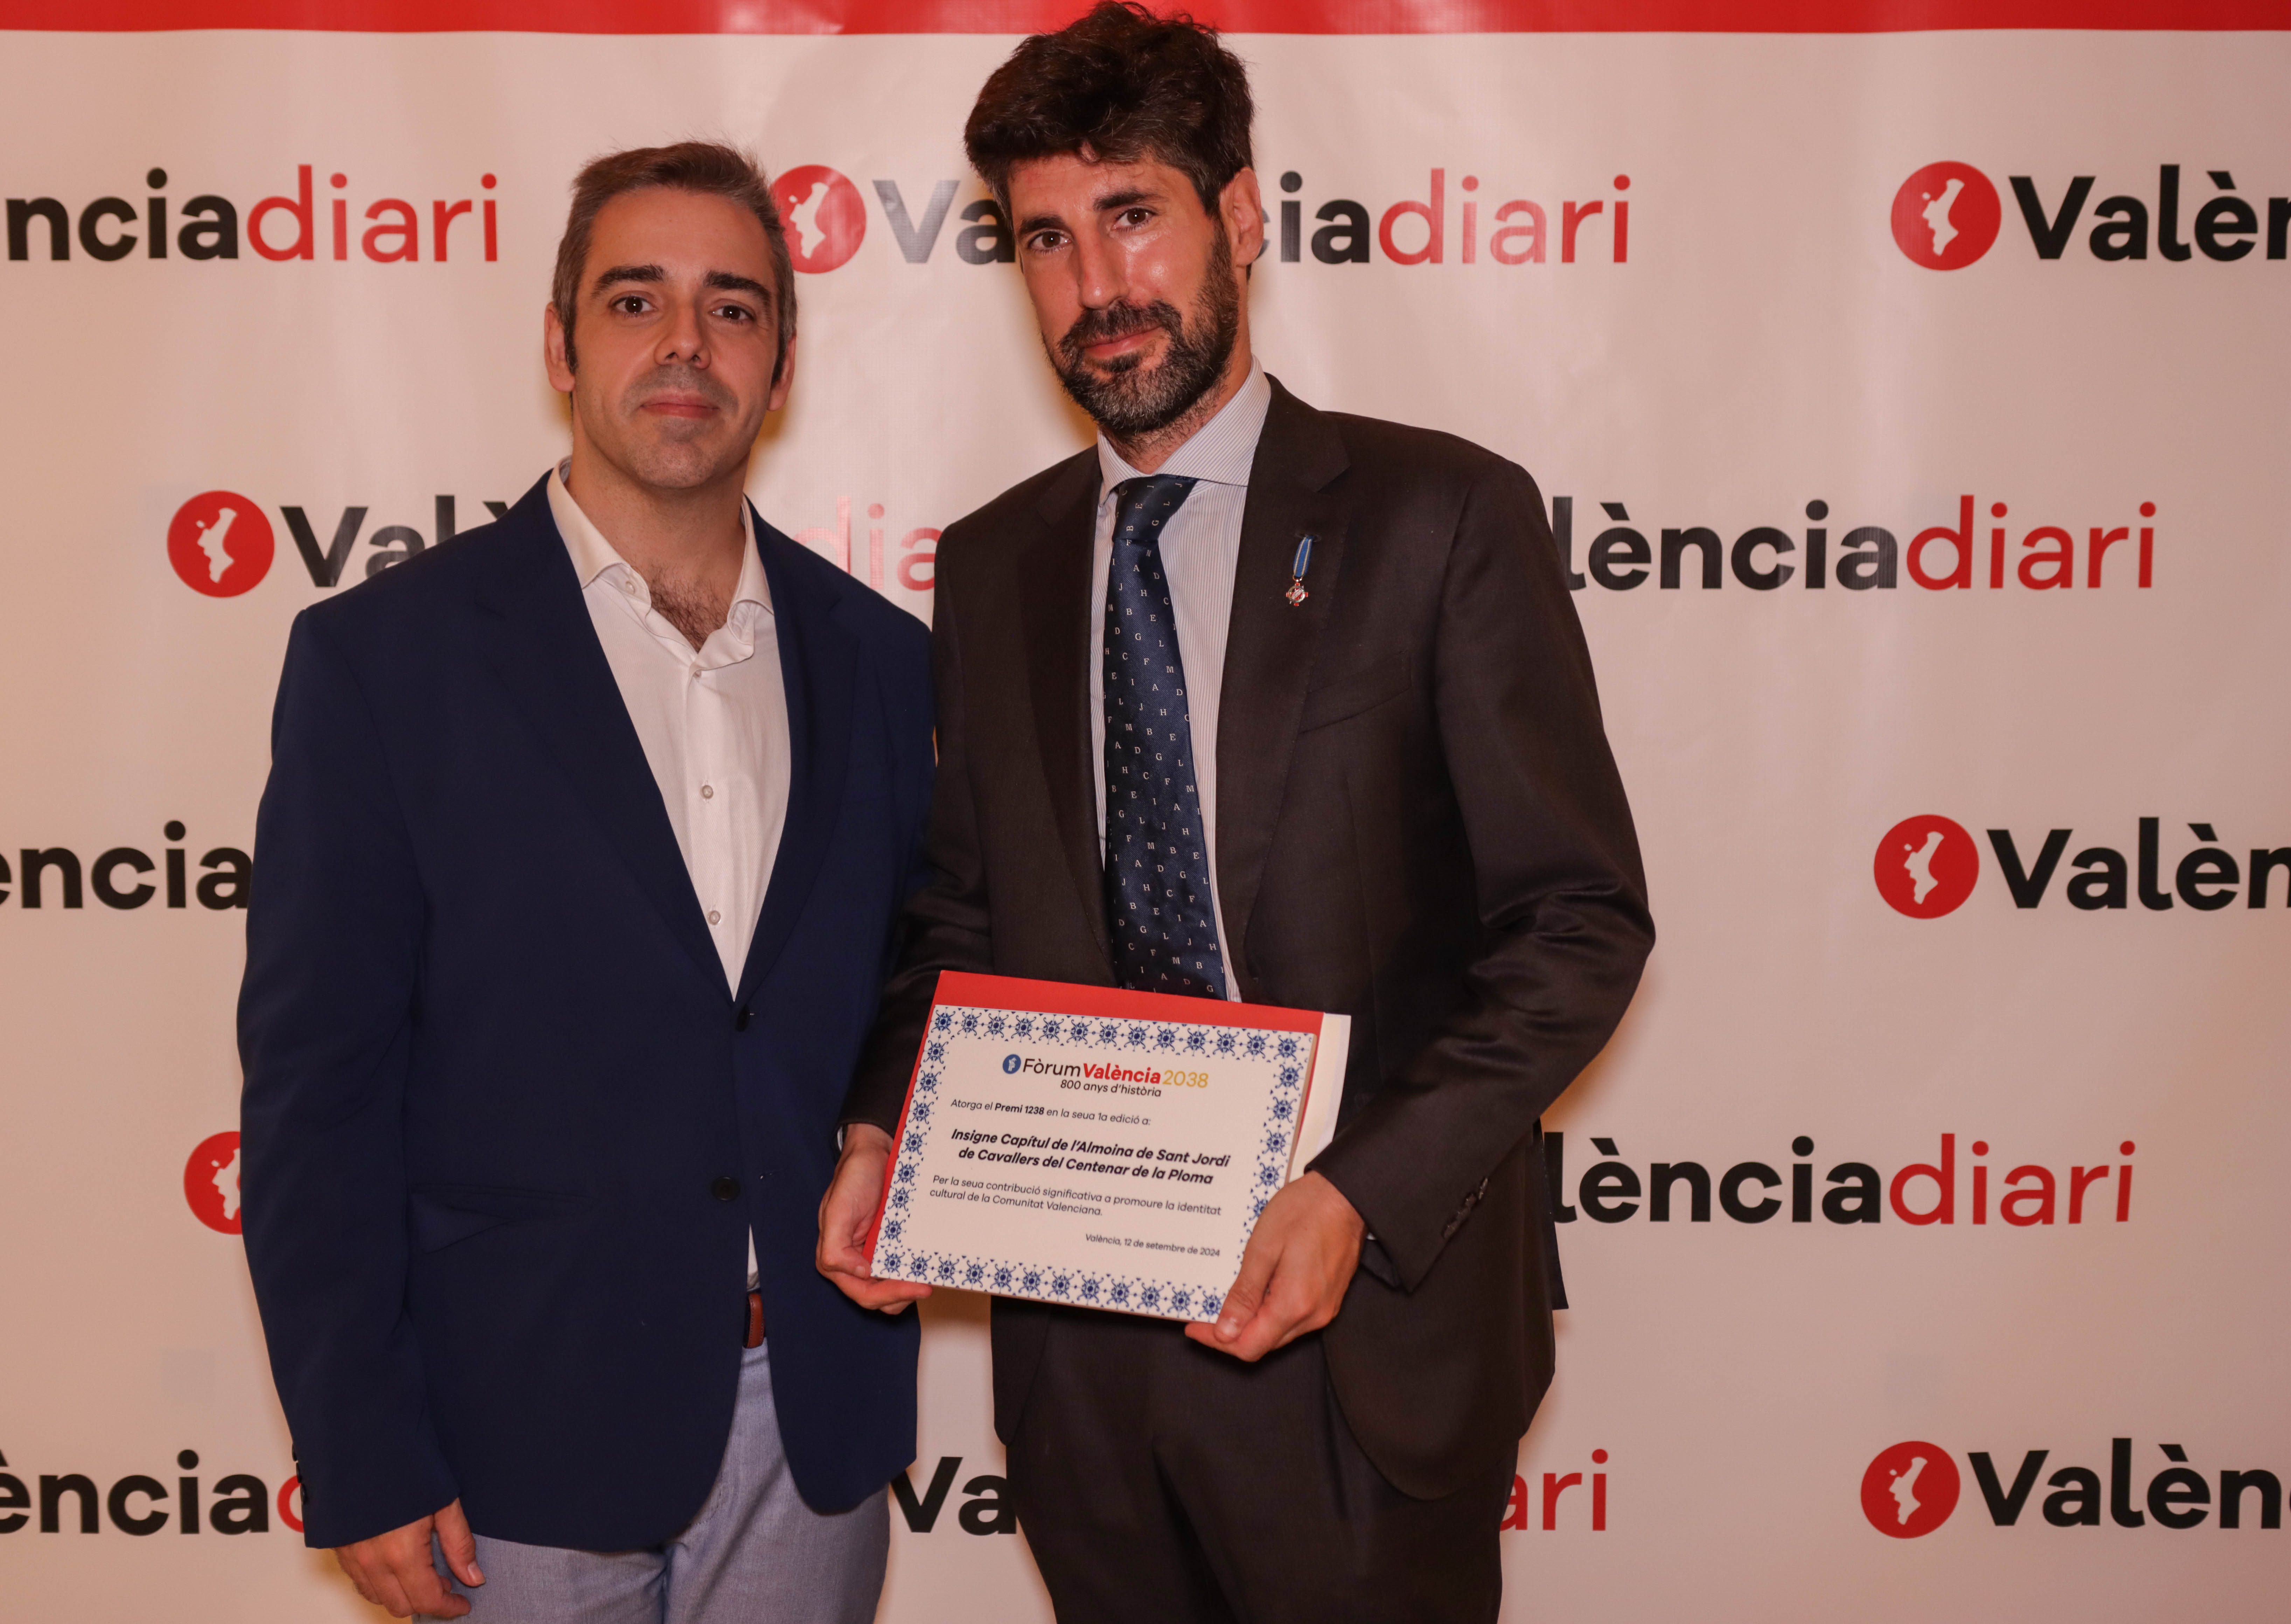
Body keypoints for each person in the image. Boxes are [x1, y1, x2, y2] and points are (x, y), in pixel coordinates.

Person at [815, 8, 1652, 1621]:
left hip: (1362, 1343)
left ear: (1243, 216)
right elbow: (965, 916)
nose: (1096, 283)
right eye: (1045, 238)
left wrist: (1358, 1193)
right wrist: (881, 1124)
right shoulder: (993, 564)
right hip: (1085, 1371)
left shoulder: (1439, 516)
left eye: (1134, 213)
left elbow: (1577, 923)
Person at [240, 142, 932, 1624]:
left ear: (782, 364)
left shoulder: (884, 662)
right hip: (511, 1431)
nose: (686, 343)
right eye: (636, 300)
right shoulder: (384, 663)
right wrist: (362, 1445)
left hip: (811, 1422)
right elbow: (319, 1092)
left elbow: (918, 981)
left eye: (733, 307)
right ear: (561, 345)